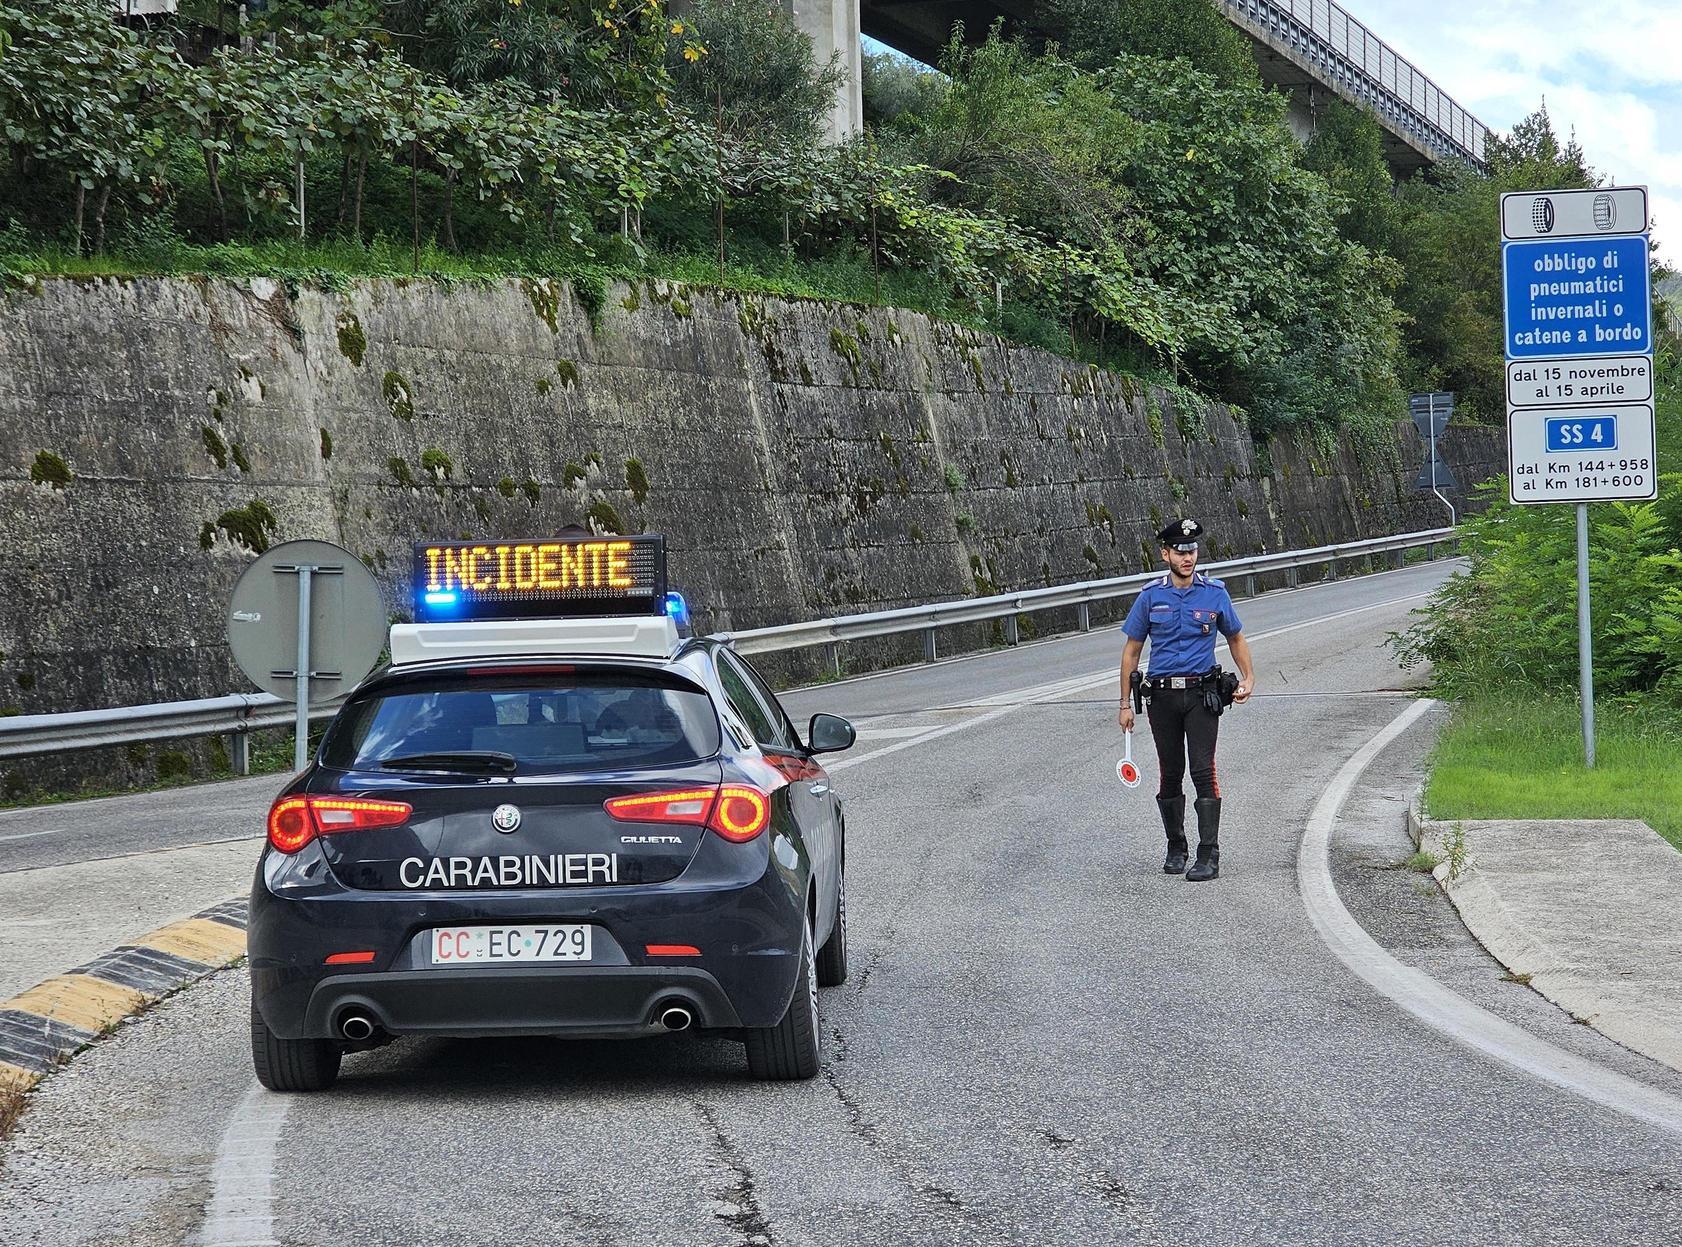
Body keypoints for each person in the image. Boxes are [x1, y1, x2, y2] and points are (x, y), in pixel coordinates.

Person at [1117, 519, 1255, 881]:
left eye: (1192, 550)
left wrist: (1248, 677)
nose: (1187, 557)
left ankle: (1209, 854)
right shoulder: (1150, 597)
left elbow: (1236, 638)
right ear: (1166, 555)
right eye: (1180, 551)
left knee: (1202, 769)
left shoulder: (1215, 593)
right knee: (1170, 772)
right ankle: (1176, 846)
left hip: (1201, 695)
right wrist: (1124, 705)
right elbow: (1131, 651)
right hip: (1162, 696)